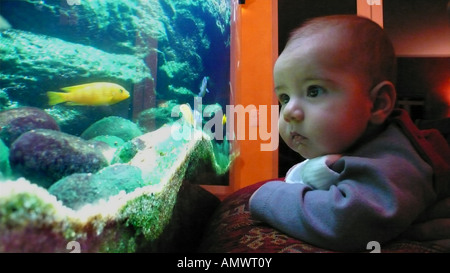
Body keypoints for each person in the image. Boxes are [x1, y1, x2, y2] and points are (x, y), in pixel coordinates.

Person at [249, 15, 450, 251]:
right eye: (284, 97)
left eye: (313, 91)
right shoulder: (362, 145)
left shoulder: (396, 160)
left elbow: (347, 222)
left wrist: (269, 197)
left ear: (376, 104)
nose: (289, 111)